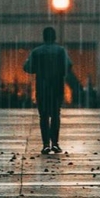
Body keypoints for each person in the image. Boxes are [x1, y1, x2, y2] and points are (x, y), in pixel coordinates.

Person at [23, 26, 73, 155]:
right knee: (55, 115)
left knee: (43, 116)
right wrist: (59, 72)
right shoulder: (60, 51)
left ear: (44, 37)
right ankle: (55, 143)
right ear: (54, 37)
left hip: (42, 87)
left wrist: (39, 69)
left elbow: (27, 67)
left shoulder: (36, 51)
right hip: (57, 86)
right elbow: (68, 65)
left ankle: (45, 144)